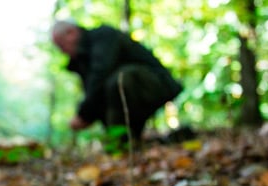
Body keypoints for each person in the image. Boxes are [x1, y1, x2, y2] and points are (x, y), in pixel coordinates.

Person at [52, 20, 182, 141]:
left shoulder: (103, 36)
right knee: (105, 92)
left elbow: (100, 74)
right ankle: (124, 140)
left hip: (157, 85)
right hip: (130, 94)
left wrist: (84, 114)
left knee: (119, 80)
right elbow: (94, 93)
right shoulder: (82, 61)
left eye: (61, 45)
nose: (62, 51)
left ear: (71, 33)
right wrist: (87, 115)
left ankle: (122, 140)